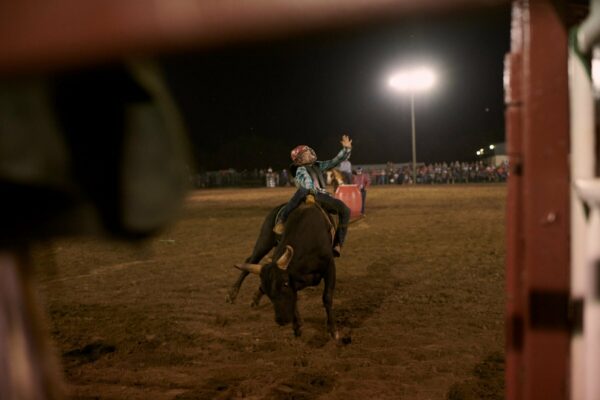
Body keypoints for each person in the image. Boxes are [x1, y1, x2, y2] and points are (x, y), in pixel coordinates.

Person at [273, 135, 352, 257]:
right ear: (300, 159)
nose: (311, 153)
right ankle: (282, 220)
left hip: (322, 196)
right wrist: (311, 192)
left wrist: (346, 149)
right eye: (307, 152)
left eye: (310, 151)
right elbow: (307, 181)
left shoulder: (318, 165)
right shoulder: (300, 169)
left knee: (345, 210)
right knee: (304, 190)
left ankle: (337, 244)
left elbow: (335, 160)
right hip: (311, 194)